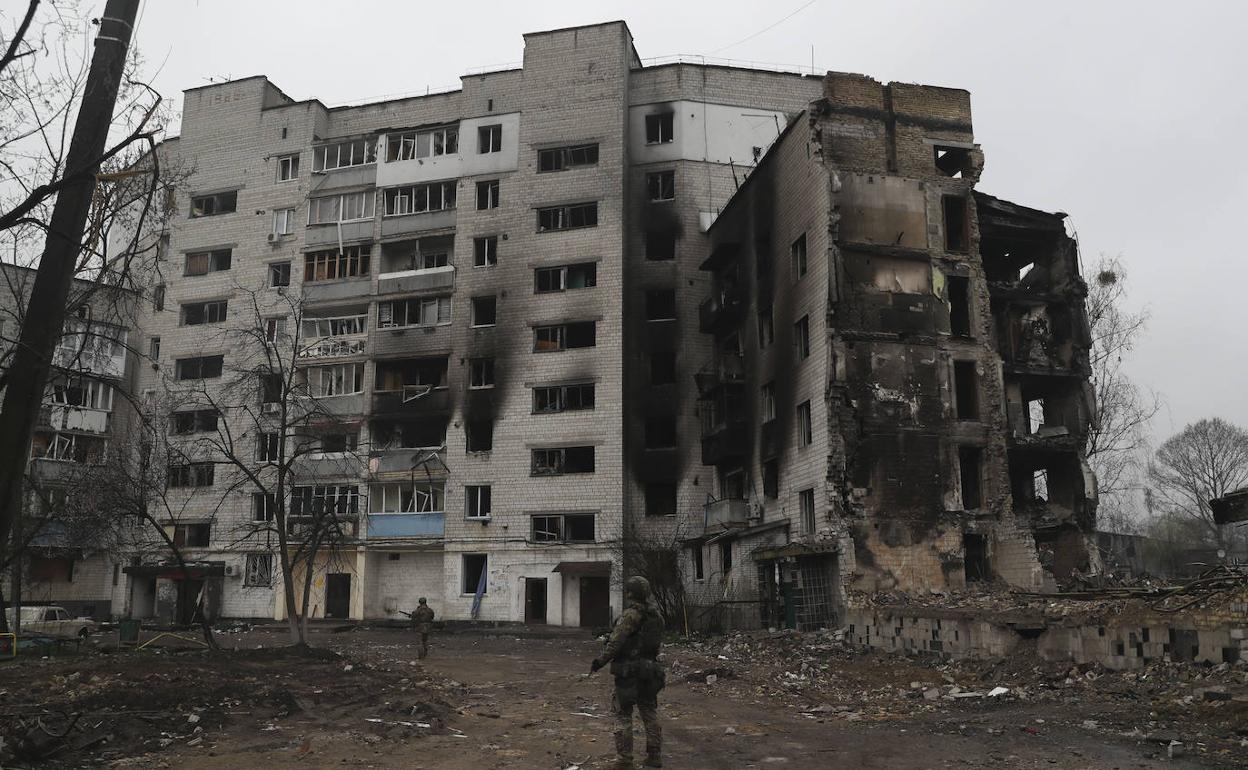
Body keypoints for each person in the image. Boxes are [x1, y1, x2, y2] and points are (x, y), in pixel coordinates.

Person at [590, 576, 665, 769]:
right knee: (649, 711)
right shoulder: (656, 616)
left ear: (630, 593)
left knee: (623, 713)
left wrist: (600, 661)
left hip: (629, 672)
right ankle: (654, 756)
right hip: (650, 670)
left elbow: (616, 642)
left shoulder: (631, 615)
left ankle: (625, 759)